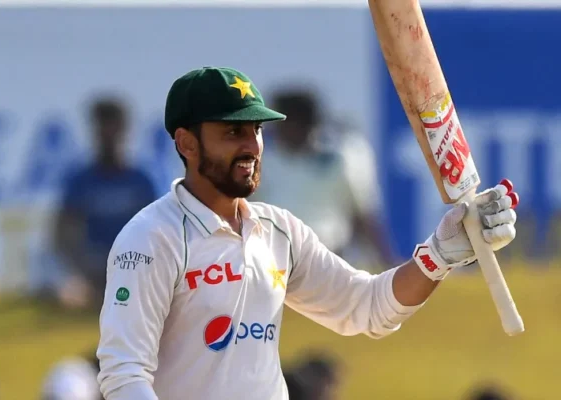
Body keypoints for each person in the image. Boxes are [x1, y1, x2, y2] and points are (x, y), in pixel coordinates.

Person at [96, 67, 520, 400]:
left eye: (256, 131)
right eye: (232, 132)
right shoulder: (151, 239)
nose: (251, 146)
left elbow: (366, 308)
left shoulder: (279, 231)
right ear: (187, 144)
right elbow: (123, 374)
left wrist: (440, 254)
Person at [255, 88, 393, 269]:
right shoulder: (259, 160)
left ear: (311, 124)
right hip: (271, 260)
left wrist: (386, 262)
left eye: (297, 123)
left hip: (328, 260)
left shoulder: (341, 157)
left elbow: (363, 214)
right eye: (284, 125)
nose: (290, 131)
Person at [52, 97, 157, 310]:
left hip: (133, 265)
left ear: (124, 131)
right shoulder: (81, 180)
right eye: (103, 128)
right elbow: (63, 233)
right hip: (92, 266)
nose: (108, 135)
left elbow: (159, 231)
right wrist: (82, 269)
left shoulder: (141, 180)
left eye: (114, 127)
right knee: (66, 288)